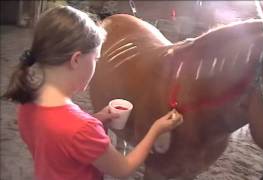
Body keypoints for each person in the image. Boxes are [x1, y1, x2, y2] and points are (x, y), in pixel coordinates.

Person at [1, 5, 183, 180]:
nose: (96, 66)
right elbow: (123, 168)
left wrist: (98, 118)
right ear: (76, 60)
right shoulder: (84, 129)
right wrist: (156, 130)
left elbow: (60, 142)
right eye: (96, 59)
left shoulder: (26, 102)